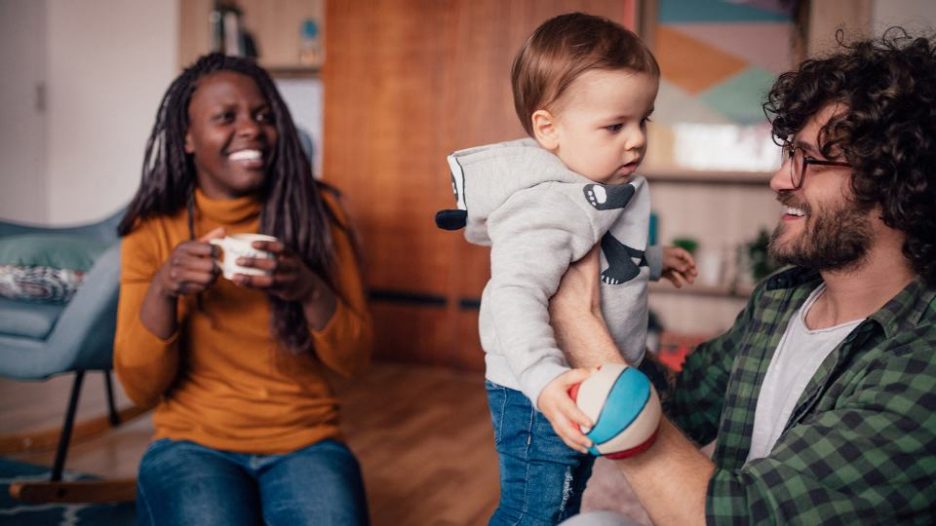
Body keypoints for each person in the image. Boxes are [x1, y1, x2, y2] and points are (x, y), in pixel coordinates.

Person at [551, 29, 936, 525]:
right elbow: (680, 406)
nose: (781, 180)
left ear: (901, 181)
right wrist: (605, 313)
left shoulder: (922, 364)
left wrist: (578, 318)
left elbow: (735, 516)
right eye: (788, 155)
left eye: (810, 160)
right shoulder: (783, 300)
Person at [436, 13, 696, 525]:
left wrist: (652, 259)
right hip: (543, 388)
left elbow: (602, 259)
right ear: (548, 129)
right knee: (536, 510)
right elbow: (514, 293)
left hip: (593, 372)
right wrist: (543, 379)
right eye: (615, 126)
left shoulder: (598, 182)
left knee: (570, 494)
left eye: (643, 120)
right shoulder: (547, 205)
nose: (636, 140)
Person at [114, 53, 373, 525]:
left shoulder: (318, 214)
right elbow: (141, 388)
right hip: (191, 442)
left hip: (305, 440)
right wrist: (164, 289)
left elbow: (354, 362)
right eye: (225, 117)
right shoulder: (152, 229)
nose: (251, 129)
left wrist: (308, 288)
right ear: (188, 138)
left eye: (263, 116)